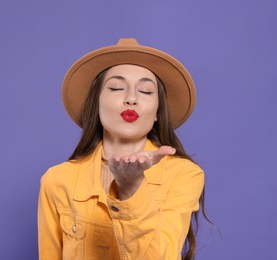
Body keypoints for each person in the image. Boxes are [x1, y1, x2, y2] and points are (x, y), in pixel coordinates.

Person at [38, 38, 206, 260]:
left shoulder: (184, 175)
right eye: (117, 88)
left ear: (157, 112)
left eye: (145, 91)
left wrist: (131, 190)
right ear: (95, 104)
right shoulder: (57, 180)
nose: (131, 99)